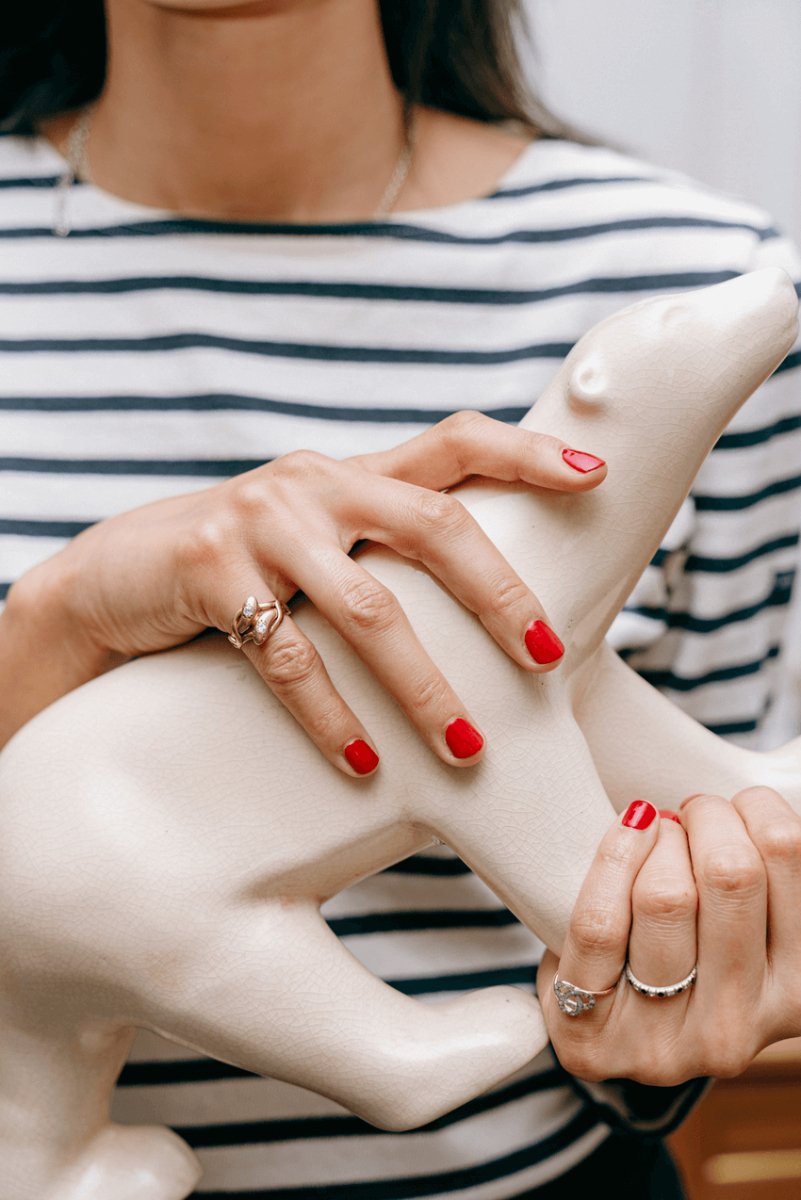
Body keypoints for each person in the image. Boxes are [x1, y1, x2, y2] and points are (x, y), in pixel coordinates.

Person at [1, 1, 800, 1196]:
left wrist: (687, 968)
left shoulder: (682, 259)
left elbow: (680, 893)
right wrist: (55, 618)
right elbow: (531, 789)